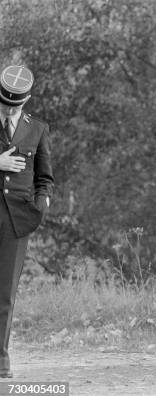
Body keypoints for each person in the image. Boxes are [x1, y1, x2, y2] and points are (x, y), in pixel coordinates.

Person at [0, 65, 53, 378]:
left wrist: (41, 204)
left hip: (17, 219)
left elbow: (45, 177)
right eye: (4, 104)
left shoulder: (38, 128)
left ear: (27, 100)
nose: (8, 110)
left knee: (5, 292)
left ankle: (1, 361)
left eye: (14, 106)